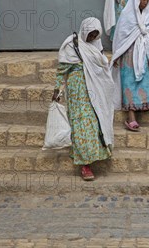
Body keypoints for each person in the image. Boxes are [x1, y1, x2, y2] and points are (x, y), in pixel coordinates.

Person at [52, 17, 115, 181]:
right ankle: (85, 166)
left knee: (94, 123)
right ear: (84, 31)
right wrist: (57, 89)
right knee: (81, 124)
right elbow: (61, 71)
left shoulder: (96, 46)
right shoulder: (72, 45)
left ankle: (95, 155)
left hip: (94, 92)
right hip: (77, 91)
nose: (93, 38)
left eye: (96, 35)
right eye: (91, 34)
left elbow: (102, 68)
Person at [111, 0, 149, 132]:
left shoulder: (147, 16)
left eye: (147, 0)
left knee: (144, 80)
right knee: (130, 82)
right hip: (129, 55)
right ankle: (131, 117)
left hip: (144, 53)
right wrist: (116, 56)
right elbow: (121, 37)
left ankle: (142, 106)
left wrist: (147, 31)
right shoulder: (127, 16)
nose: (144, 3)